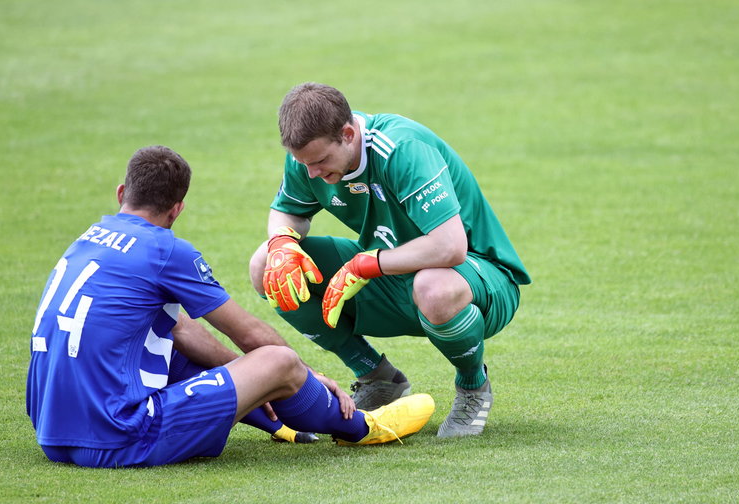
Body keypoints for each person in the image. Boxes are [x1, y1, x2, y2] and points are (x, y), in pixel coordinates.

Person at [26, 145, 435, 468]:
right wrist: (304, 375)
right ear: (177, 209)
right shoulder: (165, 250)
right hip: (117, 437)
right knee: (278, 361)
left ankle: (281, 421)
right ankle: (362, 427)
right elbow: (250, 336)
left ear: (122, 193)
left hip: (51, 429)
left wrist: (250, 383)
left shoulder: (88, 237)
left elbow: (182, 330)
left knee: (176, 347)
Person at [249, 83, 530, 438]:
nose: (312, 173)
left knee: (434, 286)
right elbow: (286, 212)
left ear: (348, 134)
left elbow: (450, 247)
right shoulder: (308, 159)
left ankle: (473, 387)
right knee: (265, 265)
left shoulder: (401, 149)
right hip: (391, 276)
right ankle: (376, 377)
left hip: (477, 278)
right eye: (305, 163)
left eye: (320, 162)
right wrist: (282, 242)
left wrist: (367, 265)